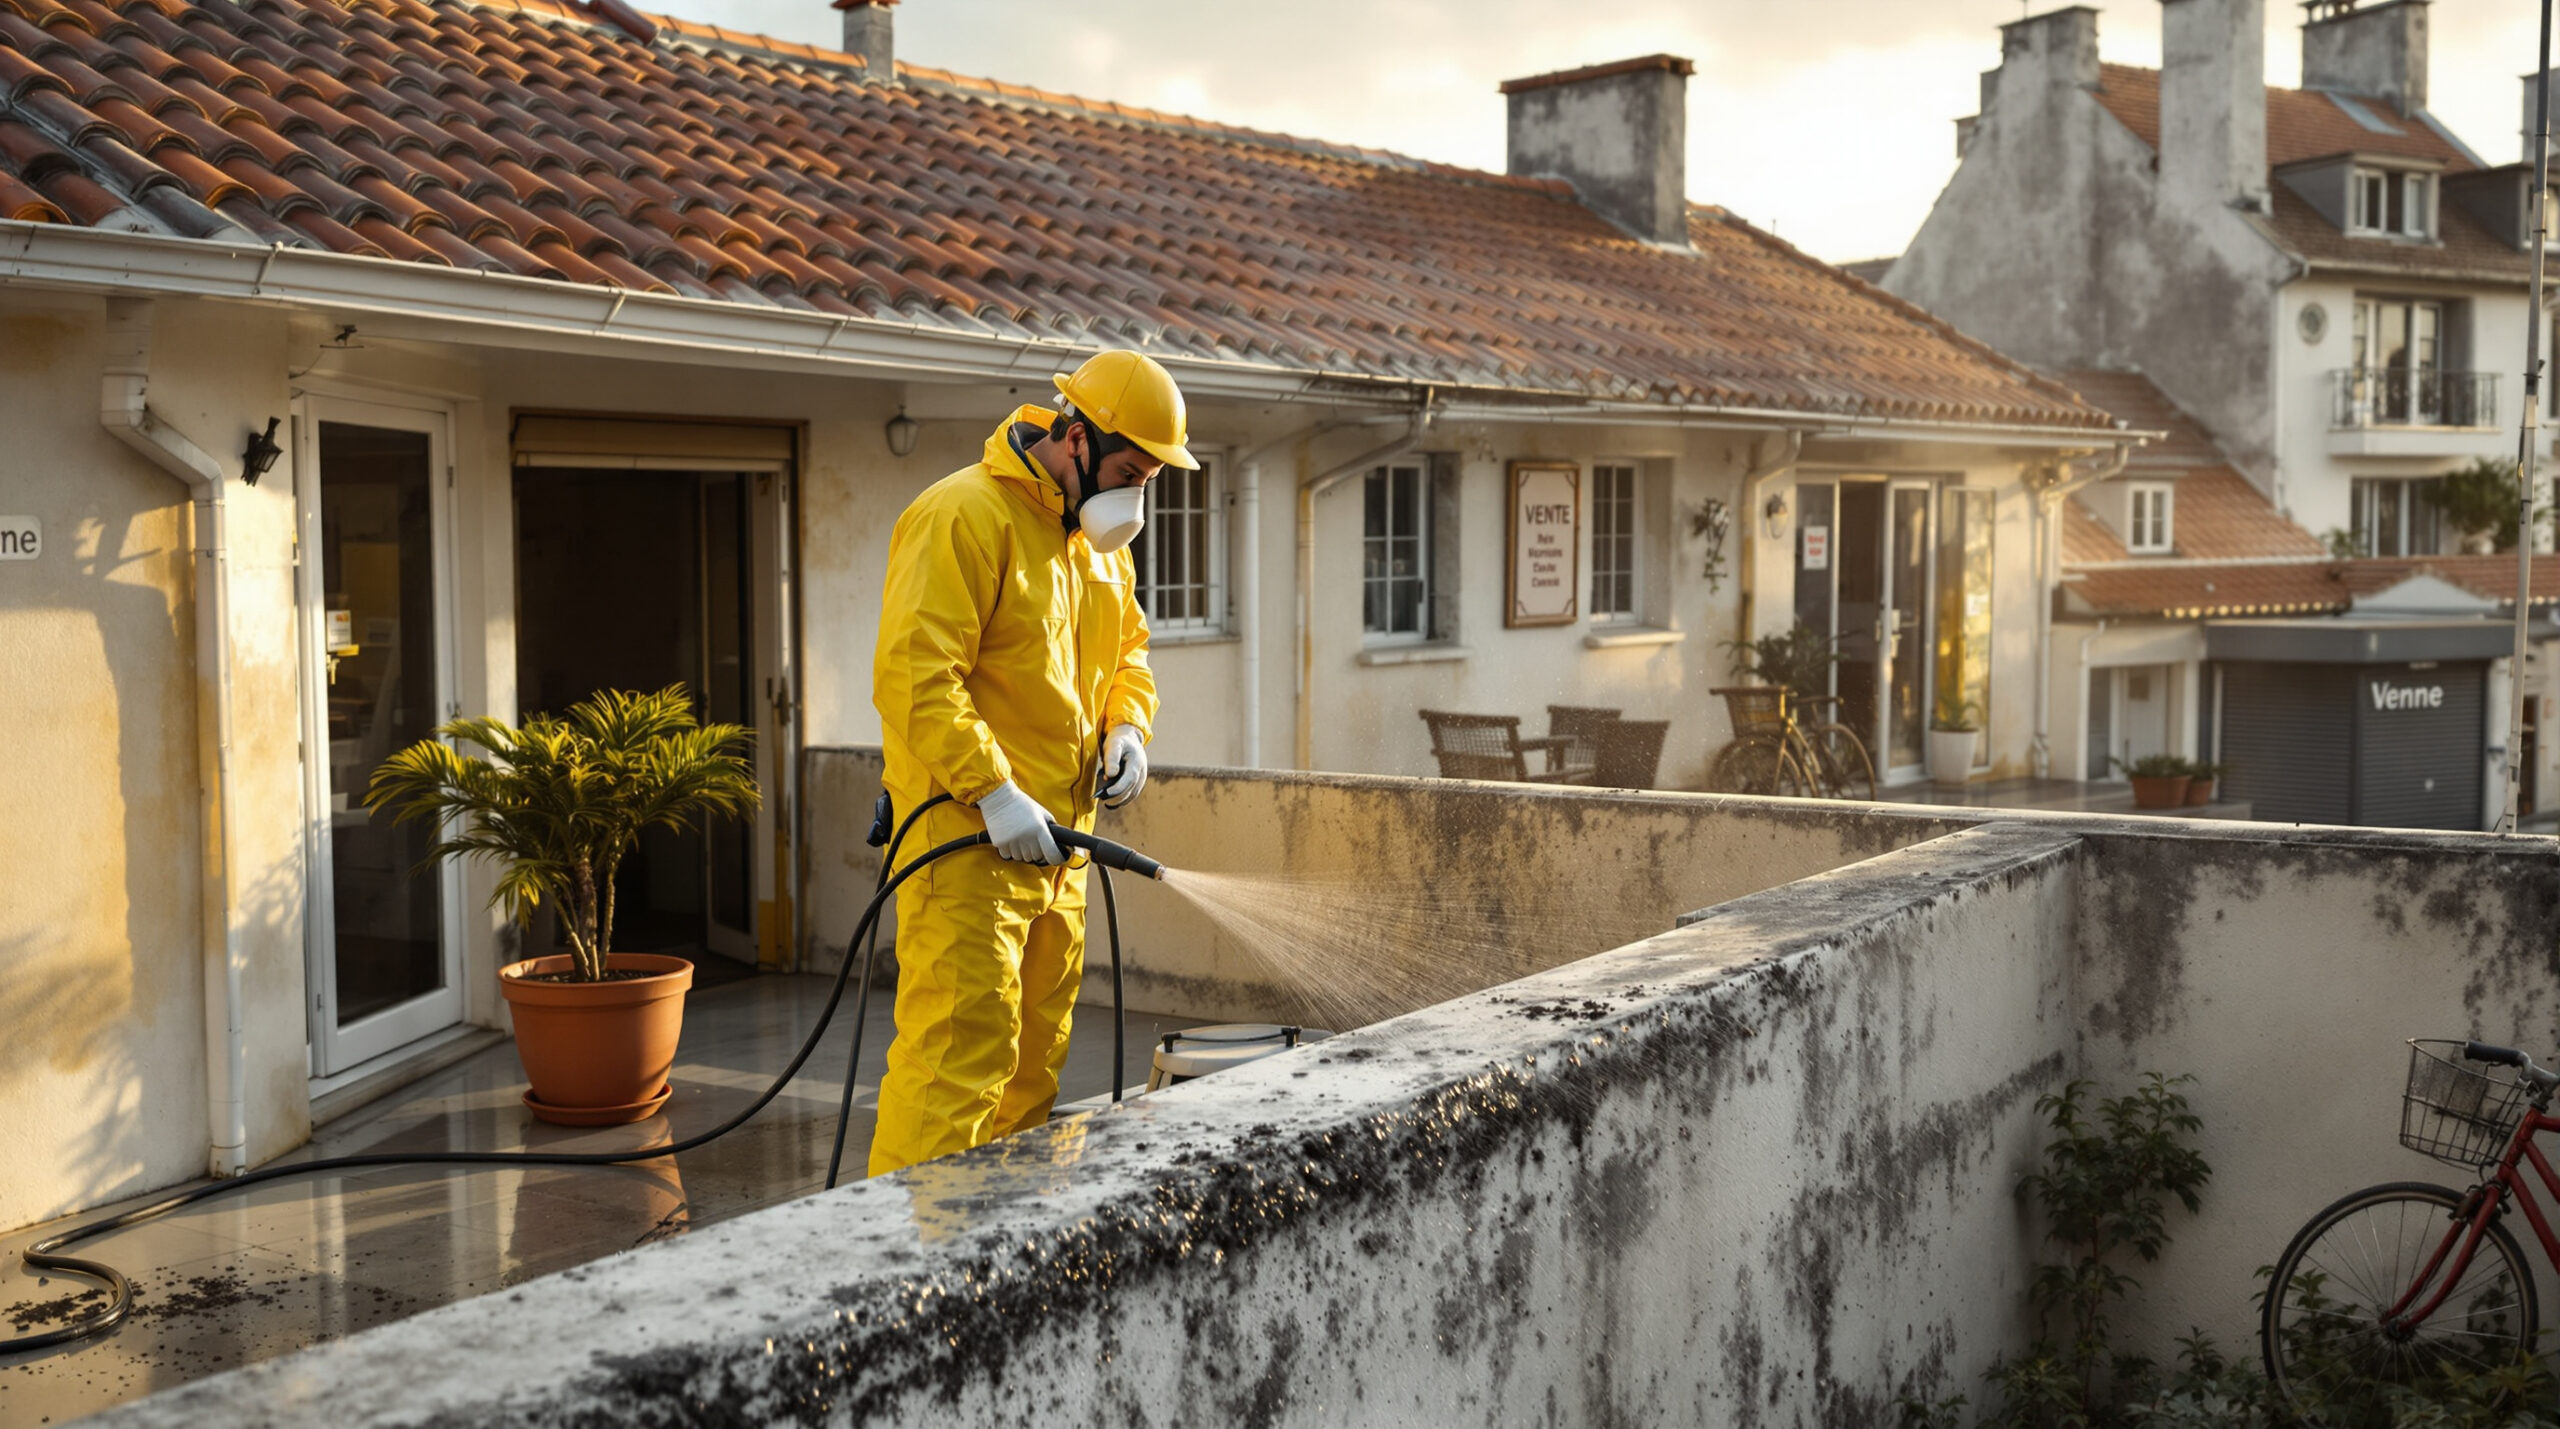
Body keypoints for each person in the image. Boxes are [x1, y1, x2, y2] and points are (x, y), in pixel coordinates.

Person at [867, 349, 1194, 1176]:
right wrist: (995, 793)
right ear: (1075, 437)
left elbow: (1129, 652)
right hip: (968, 849)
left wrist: (1128, 728)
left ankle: (1007, 1267)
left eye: (1152, 480)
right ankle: (905, 1276)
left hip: (1060, 856)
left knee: (1031, 1074)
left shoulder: (1098, 546)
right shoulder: (963, 516)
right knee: (954, 1068)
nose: (1137, 495)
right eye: (1130, 471)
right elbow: (915, 677)